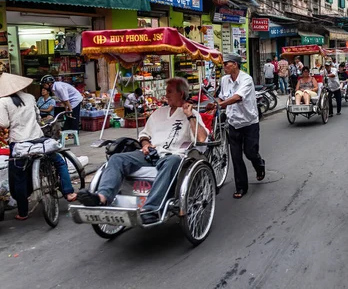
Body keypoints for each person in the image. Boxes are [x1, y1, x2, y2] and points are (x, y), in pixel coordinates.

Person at [78, 78, 208, 223]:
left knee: (173, 161)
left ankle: (151, 209)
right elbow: (145, 134)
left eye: (170, 92)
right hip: (151, 153)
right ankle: (102, 197)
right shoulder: (159, 113)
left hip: (174, 156)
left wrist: (189, 116)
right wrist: (145, 144)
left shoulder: (192, 114)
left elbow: (202, 139)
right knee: (117, 158)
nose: (166, 95)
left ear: (181, 93)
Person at [1, 72, 76, 220]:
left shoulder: (3, 102)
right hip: (38, 139)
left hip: (19, 143)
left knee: (19, 176)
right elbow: (37, 118)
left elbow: (3, 123)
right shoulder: (30, 98)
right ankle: (69, 192)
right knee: (59, 161)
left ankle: (23, 212)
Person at [214, 53, 265, 199]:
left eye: (226, 64)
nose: (224, 67)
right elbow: (222, 97)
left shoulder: (246, 79)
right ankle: (241, 187)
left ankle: (259, 164)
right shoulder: (224, 80)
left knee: (250, 153)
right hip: (233, 123)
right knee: (236, 157)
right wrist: (216, 103)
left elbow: (237, 97)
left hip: (249, 123)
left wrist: (221, 104)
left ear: (235, 64)